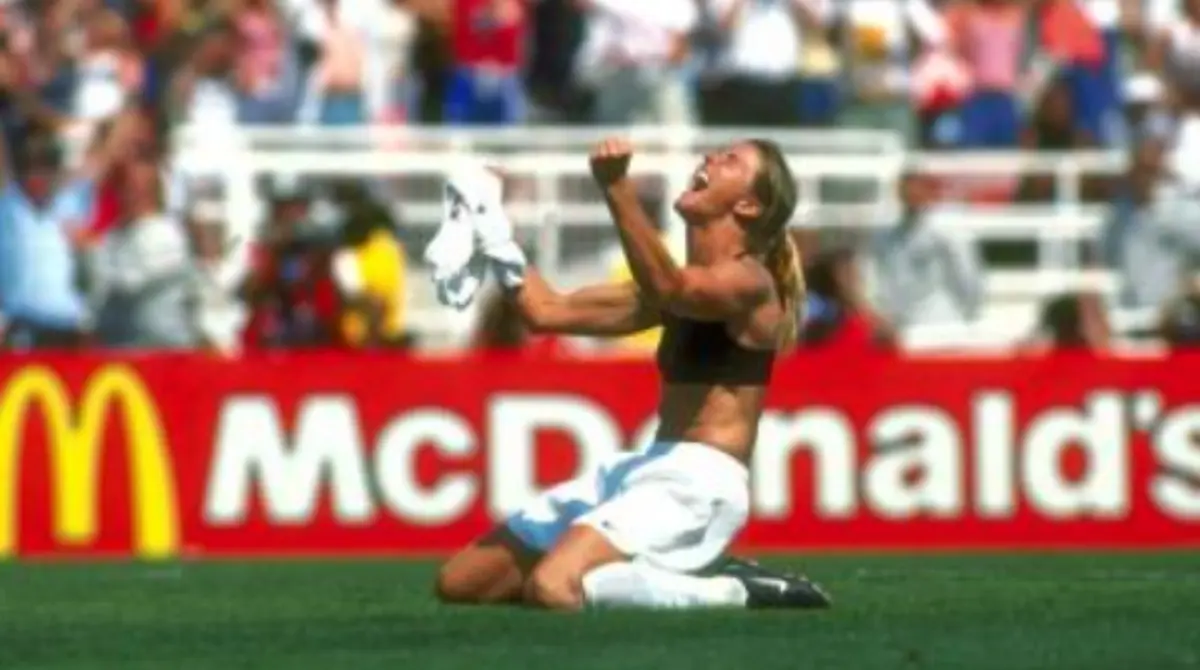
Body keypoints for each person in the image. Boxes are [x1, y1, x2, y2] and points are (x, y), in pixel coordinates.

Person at [434, 138, 832, 611]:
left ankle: (732, 591)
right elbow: (545, 311)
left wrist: (617, 187)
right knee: (462, 583)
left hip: (698, 484)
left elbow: (671, 286)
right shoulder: (674, 287)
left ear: (747, 205)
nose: (710, 158)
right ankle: (653, 575)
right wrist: (493, 231)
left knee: (553, 587)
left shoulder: (750, 281)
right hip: (643, 469)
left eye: (731, 161)